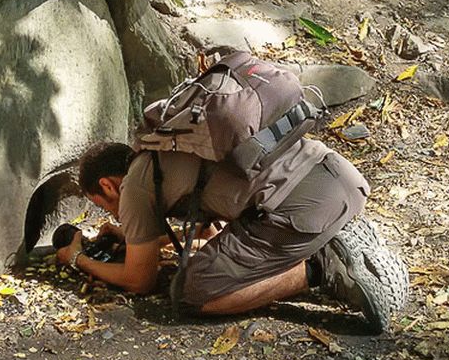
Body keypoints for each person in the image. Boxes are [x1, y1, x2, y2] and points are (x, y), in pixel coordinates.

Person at [55, 136, 407, 333]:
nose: (113, 214)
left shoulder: (133, 185)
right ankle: (330, 236)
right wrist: (143, 238)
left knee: (190, 293)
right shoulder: (166, 148)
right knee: (216, 260)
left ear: (108, 185)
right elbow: (210, 231)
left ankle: (321, 266)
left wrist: (77, 258)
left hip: (303, 208)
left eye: (105, 205)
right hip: (338, 178)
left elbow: (139, 281)